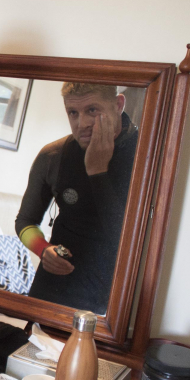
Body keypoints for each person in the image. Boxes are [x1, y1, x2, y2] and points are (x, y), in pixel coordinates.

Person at [15, 82, 139, 314]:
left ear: (118, 104)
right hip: (51, 290)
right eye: (73, 113)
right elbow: (24, 221)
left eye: (92, 110)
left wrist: (97, 171)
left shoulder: (145, 155)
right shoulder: (53, 155)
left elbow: (129, 238)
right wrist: (43, 249)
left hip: (109, 301)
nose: (82, 124)